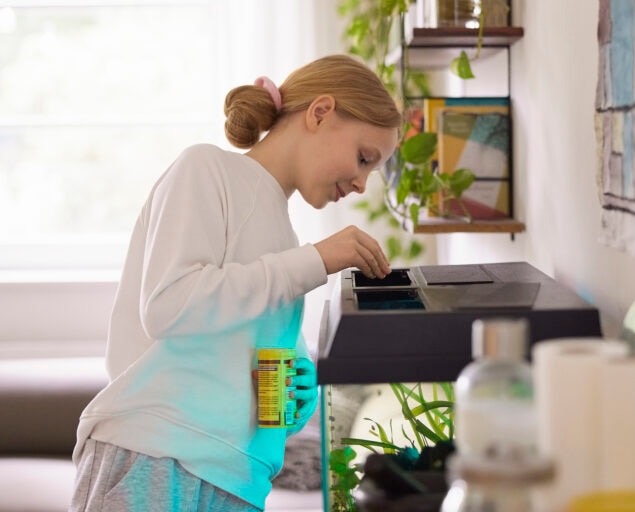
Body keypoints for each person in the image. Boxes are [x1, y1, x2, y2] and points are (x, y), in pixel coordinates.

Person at [69, 54, 401, 512]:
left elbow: (251, 362)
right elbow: (170, 304)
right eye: (364, 158)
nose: (363, 182)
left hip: (238, 481)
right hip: (158, 456)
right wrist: (315, 260)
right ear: (320, 112)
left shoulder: (288, 240)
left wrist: (295, 392)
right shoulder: (206, 170)